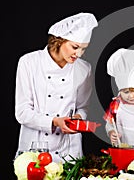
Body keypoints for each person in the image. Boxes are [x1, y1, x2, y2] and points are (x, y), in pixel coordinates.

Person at [14, 12, 98, 163]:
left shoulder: (84, 69)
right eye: (75, 47)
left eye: (84, 49)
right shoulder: (29, 62)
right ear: (59, 41)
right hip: (35, 148)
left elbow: (83, 107)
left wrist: (78, 119)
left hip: (69, 151)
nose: (79, 54)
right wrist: (54, 122)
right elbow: (22, 112)